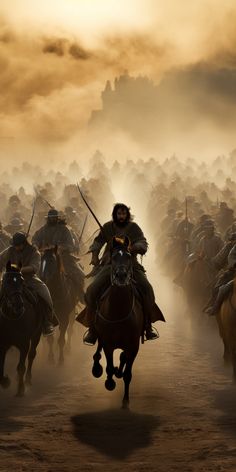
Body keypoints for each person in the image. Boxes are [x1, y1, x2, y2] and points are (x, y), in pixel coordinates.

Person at [78, 203, 165, 345]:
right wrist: (94, 255)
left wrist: (134, 247)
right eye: (119, 214)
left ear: (127, 215)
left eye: (124, 214)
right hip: (110, 265)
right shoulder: (107, 227)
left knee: (147, 289)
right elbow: (97, 242)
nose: (121, 216)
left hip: (131, 265)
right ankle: (93, 330)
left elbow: (143, 242)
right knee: (91, 290)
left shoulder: (134, 228)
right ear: (115, 214)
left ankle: (148, 326)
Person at [0, 232, 55, 336]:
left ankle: (47, 321)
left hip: (29, 279)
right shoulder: (10, 250)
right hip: (11, 280)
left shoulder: (34, 251)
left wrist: (19, 270)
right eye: (14, 245)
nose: (16, 247)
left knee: (45, 292)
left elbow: (34, 267)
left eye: (18, 245)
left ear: (24, 243)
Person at [32, 209, 84, 301]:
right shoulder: (43, 230)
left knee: (78, 274)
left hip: (64, 257)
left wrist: (59, 247)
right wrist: (36, 246)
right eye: (50, 218)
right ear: (48, 219)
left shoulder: (64, 229)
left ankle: (80, 295)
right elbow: (35, 239)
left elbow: (70, 245)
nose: (52, 220)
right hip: (46, 256)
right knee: (33, 273)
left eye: (54, 218)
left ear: (57, 218)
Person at [204, 244, 236, 316]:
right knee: (222, 289)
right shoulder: (232, 247)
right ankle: (215, 308)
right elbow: (231, 256)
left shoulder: (217, 239)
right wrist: (234, 264)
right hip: (233, 273)